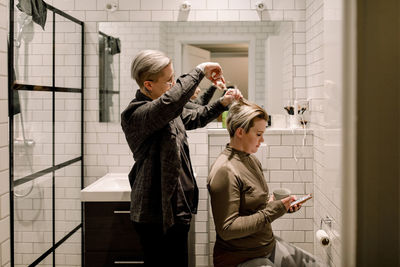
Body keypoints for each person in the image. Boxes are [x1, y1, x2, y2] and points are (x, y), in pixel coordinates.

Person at [121, 49, 242, 267]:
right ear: (148, 85)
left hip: (177, 211)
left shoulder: (167, 111)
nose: (173, 85)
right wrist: (200, 70)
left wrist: (223, 102)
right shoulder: (137, 114)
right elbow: (170, 102)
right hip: (155, 215)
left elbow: (196, 117)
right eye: (169, 81)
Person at [207, 99, 321, 267]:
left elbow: (256, 207)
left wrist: (280, 205)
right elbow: (227, 229)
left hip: (267, 246)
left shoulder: (251, 160)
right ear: (240, 132)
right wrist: (274, 210)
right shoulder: (225, 170)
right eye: (258, 134)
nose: (262, 140)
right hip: (241, 257)